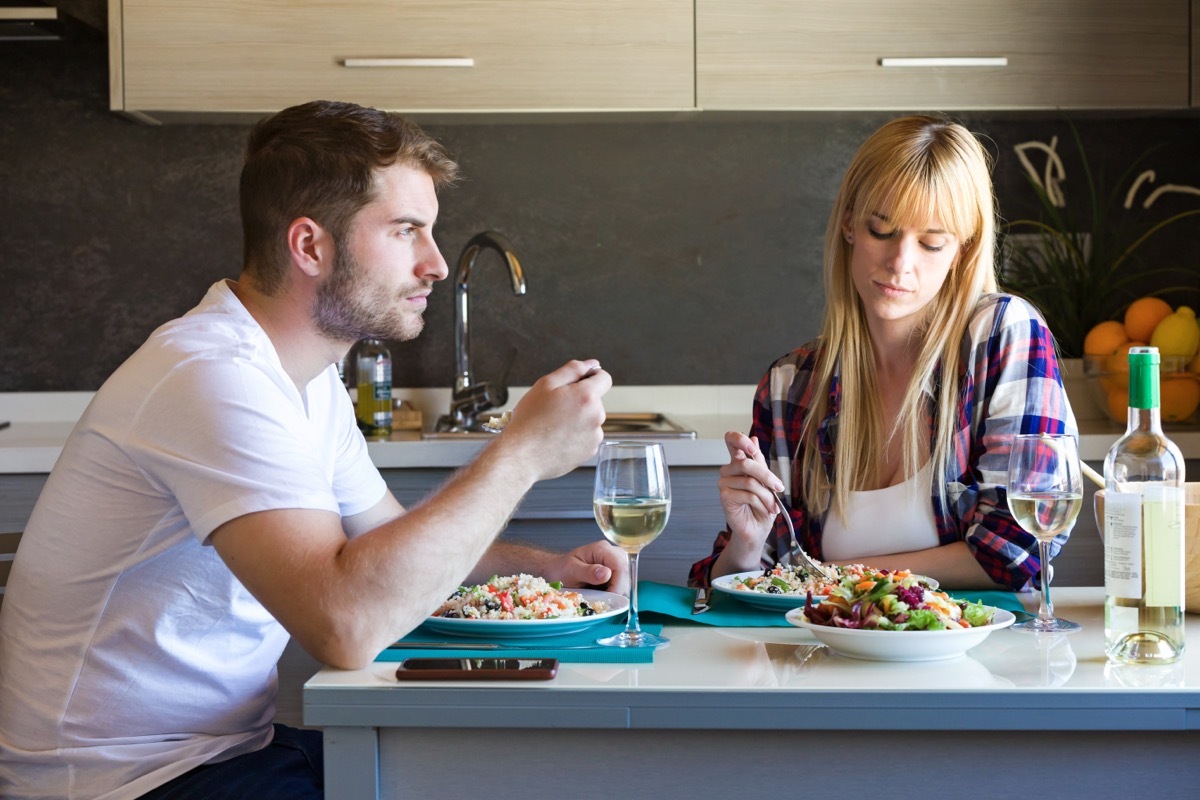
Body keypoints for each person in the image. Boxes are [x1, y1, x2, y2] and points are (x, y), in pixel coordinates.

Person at [0, 100, 625, 800]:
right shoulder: (213, 377)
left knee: (477, 772)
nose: (437, 265)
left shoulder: (304, 377)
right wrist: (520, 454)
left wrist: (546, 572)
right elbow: (346, 623)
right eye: (406, 231)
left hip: (222, 755)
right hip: (124, 784)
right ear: (310, 246)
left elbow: (387, 542)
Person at [689, 114, 1077, 593]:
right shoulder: (792, 386)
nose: (900, 263)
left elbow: (1016, 550)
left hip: (976, 662)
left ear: (963, 249)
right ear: (850, 223)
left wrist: (830, 579)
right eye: (882, 230)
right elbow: (741, 587)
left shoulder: (1001, 334)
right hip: (822, 663)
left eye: (932, 243)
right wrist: (747, 544)